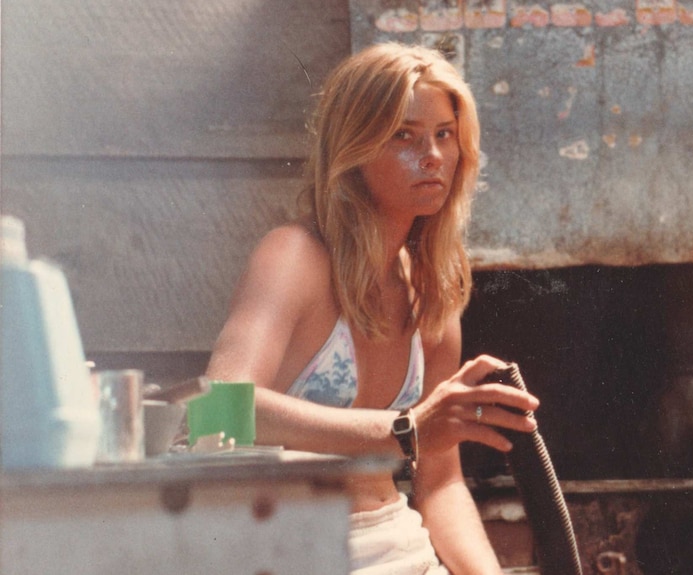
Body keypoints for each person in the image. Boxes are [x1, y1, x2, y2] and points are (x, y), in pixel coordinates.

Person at [206, 42, 540, 574]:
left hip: (397, 544)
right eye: (402, 135)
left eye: (443, 135)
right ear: (354, 148)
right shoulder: (295, 257)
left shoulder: (432, 294)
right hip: (284, 552)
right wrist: (405, 430)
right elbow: (213, 413)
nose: (431, 155)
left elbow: (441, 482)